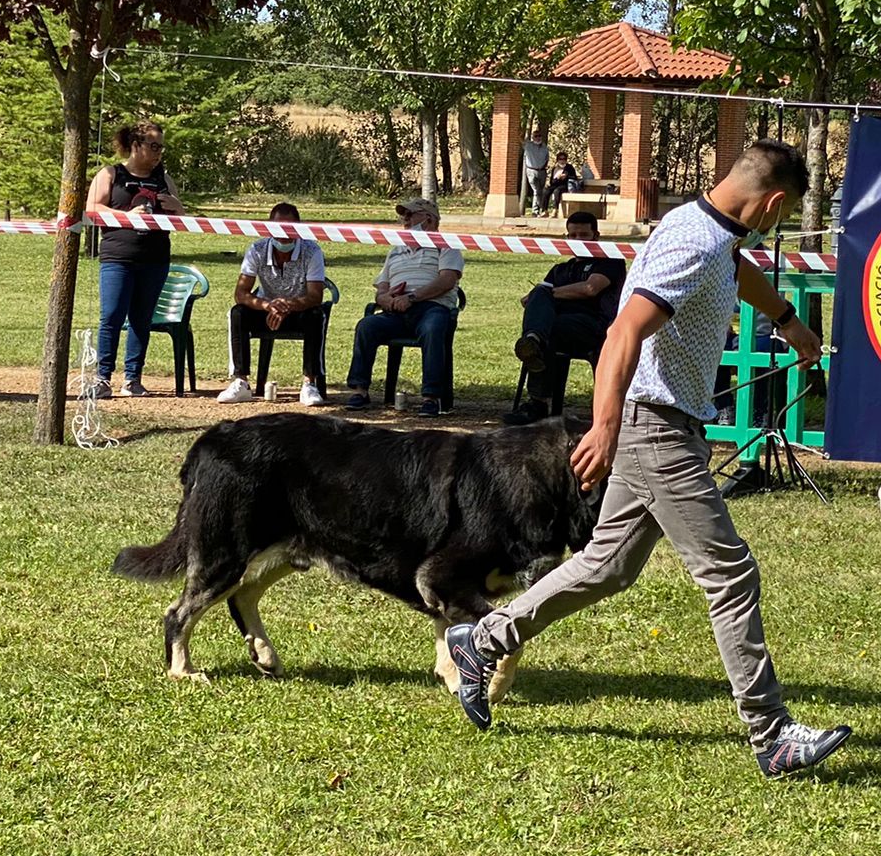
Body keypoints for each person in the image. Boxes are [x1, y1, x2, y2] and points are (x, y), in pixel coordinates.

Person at [443, 141, 853, 779]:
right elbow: (623, 331)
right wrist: (604, 426)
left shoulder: (712, 233)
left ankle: (482, 641)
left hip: (667, 426)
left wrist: (788, 319)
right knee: (730, 573)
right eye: (785, 212)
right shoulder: (691, 240)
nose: (777, 223)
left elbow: (737, 271)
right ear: (773, 202)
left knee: (606, 567)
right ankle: (772, 736)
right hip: (656, 427)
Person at [83, 120, 185, 398]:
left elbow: (180, 219)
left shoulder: (164, 178)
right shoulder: (110, 174)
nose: (158, 153)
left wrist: (178, 208)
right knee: (112, 316)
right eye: (153, 146)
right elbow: (91, 208)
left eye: (161, 147)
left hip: (155, 260)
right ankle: (102, 378)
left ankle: (133, 379)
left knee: (142, 319)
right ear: (135, 146)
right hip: (118, 258)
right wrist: (128, 217)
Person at [343, 197, 462, 418]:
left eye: (410, 214)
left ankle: (431, 397)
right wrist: (384, 298)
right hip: (396, 311)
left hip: (431, 308)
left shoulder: (446, 245)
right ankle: (360, 391)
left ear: (428, 219)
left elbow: (447, 280)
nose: (404, 220)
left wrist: (413, 298)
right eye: (403, 216)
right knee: (367, 326)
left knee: (433, 328)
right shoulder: (396, 249)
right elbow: (381, 287)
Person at [502, 209, 618, 425]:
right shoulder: (561, 269)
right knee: (549, 331)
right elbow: (528, 300)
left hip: (594, 325)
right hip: (558, 326)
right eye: (573, 236)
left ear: (596, 236)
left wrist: (547, 293)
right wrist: (541, 295)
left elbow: (591, 288)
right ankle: (533, 342)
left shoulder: (610, 261)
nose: (578, 240)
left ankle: (538, 401)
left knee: (546, 317)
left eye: (584, 235)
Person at [214, 202, 328, 407]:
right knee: (238, 313)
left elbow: (315, 296)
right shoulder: (257, 250)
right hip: (266, 311)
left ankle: (309, 384)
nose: (284, 234)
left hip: (299, 311)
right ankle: (240, 381)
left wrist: (289, 305)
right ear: (268, 227)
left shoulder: (312, 251)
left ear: (299, 228)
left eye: (290, 228)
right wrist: (267, 305)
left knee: (316, 315)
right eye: (278, 228)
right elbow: (241, 293)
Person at [520, 124, 550, 213]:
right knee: (536, 190)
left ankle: (536, 211)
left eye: (539, 136)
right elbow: (520, 140)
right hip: (531, 171)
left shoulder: (544, 147)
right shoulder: (528, 145)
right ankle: (541, 209)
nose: (538, 138)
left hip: (542, 171)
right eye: (536, 136)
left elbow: (547, 158)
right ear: (533, 137)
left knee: (540, 191)